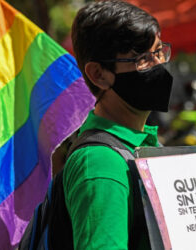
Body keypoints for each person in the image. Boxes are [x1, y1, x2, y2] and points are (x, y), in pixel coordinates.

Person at [63, 0, 173, 249]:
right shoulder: (102, 163)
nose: (158, 65)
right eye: (143, 59)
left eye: (159, 53)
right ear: (99, 75)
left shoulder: (138, 144)